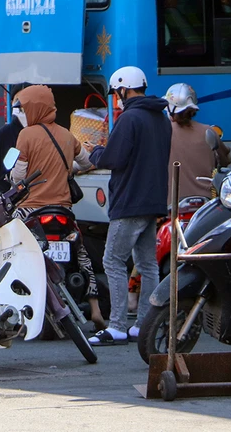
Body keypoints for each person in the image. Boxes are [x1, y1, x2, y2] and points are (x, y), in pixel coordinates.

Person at [85, 66, 171, 345]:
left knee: (113, 259)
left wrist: (94, 151)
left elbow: (113, 158)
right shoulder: (161, 117)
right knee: (148, 264)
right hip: (154, 200)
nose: (117, 98)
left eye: (117, 92)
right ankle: (145, 323)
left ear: (124, 88)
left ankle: (119, 325)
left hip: (130, 201)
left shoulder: (130, 118)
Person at [8, 85, 104, 329]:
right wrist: (65, 170)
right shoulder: (67, 135)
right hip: (63, 210)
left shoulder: (26, 135)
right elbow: (85, 163)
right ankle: (95, 307)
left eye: (26, 108)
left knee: (10, 248)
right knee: (82, 255)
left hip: (31, 210)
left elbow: (18, 177)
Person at [164, 83, 231, 201]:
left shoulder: (163, 132)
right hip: (205, 204)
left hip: (172, 205)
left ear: (170, 108)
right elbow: (225, 160)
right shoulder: (208, 131)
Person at [0, 83, 32, 199]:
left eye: (27, 100)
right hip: (9, 201)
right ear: (12, 102)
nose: (21, 106)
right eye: (18, 100)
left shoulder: (45, 133)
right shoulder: (4, 134)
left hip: (38, 199)